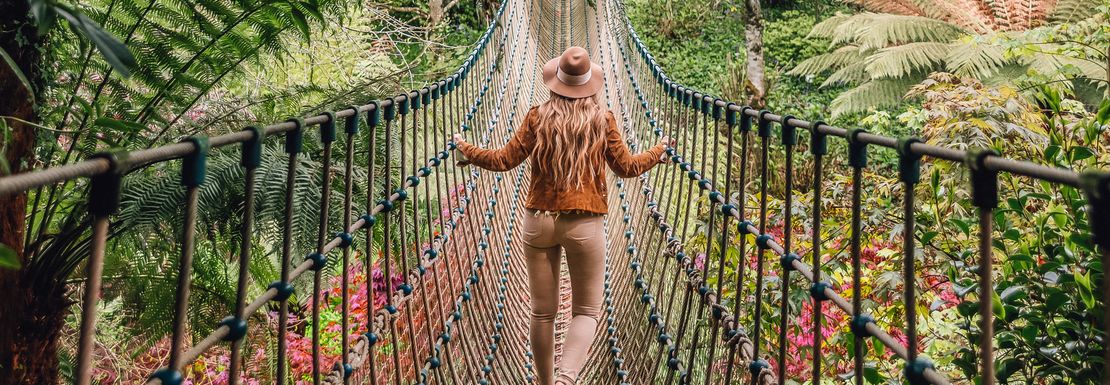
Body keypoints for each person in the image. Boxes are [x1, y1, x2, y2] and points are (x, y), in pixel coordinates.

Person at [453, 46, 672, 385]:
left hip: (537, 222)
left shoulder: (537, 117)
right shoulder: (603, 119)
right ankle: (565, 380)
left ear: (556, 81)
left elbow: (502, 160)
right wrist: (659, 152)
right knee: (586, 312)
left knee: (542, 313)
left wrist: (468, 151)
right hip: (584, 222)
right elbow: (627, 167)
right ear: (591, 83)